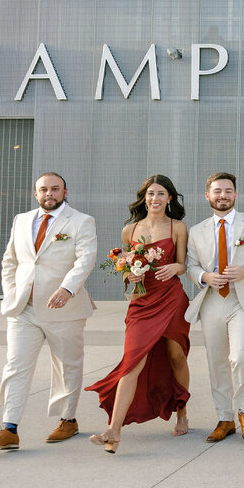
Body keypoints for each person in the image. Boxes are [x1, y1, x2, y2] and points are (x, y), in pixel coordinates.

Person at [0, 173, 97, 451]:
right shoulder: (22, 220)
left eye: (55, 189)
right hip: (24, 310)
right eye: (43, 189)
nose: (49, 194)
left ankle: (68, 420)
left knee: (67, 366)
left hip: (64, 308)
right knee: (15, 366)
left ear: (65, 191)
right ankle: (9, 428)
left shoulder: (81, 221)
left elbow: (85, 259)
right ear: (36, 193)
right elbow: (11, 261)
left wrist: (67, 289)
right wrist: (12, 293)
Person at [85, 175, 191, 453]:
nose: (154, 199)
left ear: (170, 198)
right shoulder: (129, 231)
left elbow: (183, 264)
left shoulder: (178, 227)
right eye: (150, 194)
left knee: (176, 355)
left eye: (160, 194)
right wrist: (129, 275)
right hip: (142, 302)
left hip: (172, 299)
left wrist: (176, 269)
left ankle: (181, 411)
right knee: (132, 362)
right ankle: (114, 429)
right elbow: (126, 270)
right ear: (144, 197)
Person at [184, 172, 244, 443]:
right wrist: (204, 277)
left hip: (243, 298)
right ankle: (225, 418)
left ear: (235, 194)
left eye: (228, 191)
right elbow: (191, 266)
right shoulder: (197, 230)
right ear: (207, 195)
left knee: (239, 356)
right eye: (217, 191)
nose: (222, 195)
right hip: (212, 299)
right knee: (217, 362)